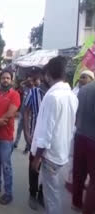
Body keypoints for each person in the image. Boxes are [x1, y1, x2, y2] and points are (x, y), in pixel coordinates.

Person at [31, 56, 78, 214]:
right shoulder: (71, 96)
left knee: (51, 196)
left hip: (50, 155)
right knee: (54, 192)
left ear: (48, 74)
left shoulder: (52, 97)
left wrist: (37, 158)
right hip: (61, 153)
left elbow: (46, 133)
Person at [0, 69, 21, 205]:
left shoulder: (15, 94)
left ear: (11, 80)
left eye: (8, 78)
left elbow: (11, 112)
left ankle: (8, 193)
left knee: (6, 165)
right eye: (3, 78)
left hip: (6, 137)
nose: (5, 80)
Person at [22, 69, 47, 210]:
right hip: (35, 138)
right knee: (33, 166)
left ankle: (42, 194)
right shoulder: (33, 92)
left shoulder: (54, 94)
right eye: (38, 78)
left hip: (50, 140)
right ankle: (32, 193)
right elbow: (26, 112)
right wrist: (26, 132)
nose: (41, 80)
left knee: (45, 168)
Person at [72, 81, 95, 214]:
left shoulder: (84, 89)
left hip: (80, 135)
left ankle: (76, 202)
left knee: (79, 172)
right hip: (93, 139)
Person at [14, 75, 34, 151]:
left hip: (29, 115)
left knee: (28, 130)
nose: (30, 82)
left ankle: (27, 145)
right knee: (19, 129)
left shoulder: (34, 90)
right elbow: (21, 84)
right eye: (29, 81)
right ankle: (16, 143)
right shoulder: (25, 88)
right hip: (22, 112)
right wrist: (26, 80)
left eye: (31, 81)